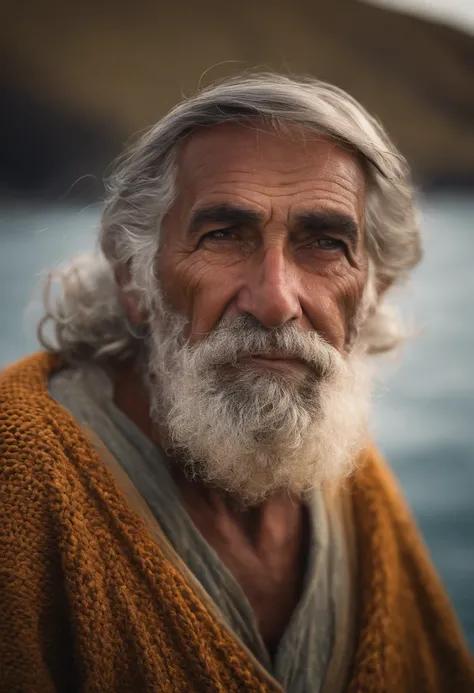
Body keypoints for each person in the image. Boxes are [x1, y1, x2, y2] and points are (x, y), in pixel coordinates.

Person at [1, 73, 473, 693]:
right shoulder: (19, 472)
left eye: (326, 243)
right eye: (223, 236)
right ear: (134, 280)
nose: (276, 300)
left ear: (372, 291)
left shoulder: (347, 480)